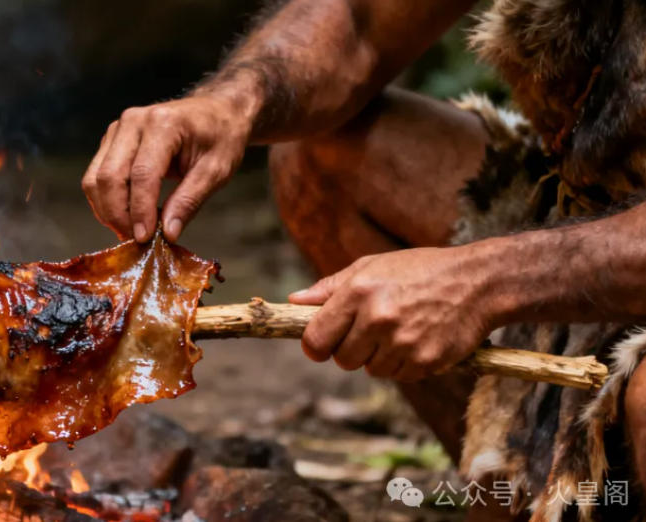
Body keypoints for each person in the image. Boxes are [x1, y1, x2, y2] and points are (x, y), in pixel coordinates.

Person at [81, 0, 646, 520]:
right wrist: (232, 101)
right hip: (593, 205)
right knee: (322, 156)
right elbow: (361, 22)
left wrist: (482, 280)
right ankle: (515, 495)